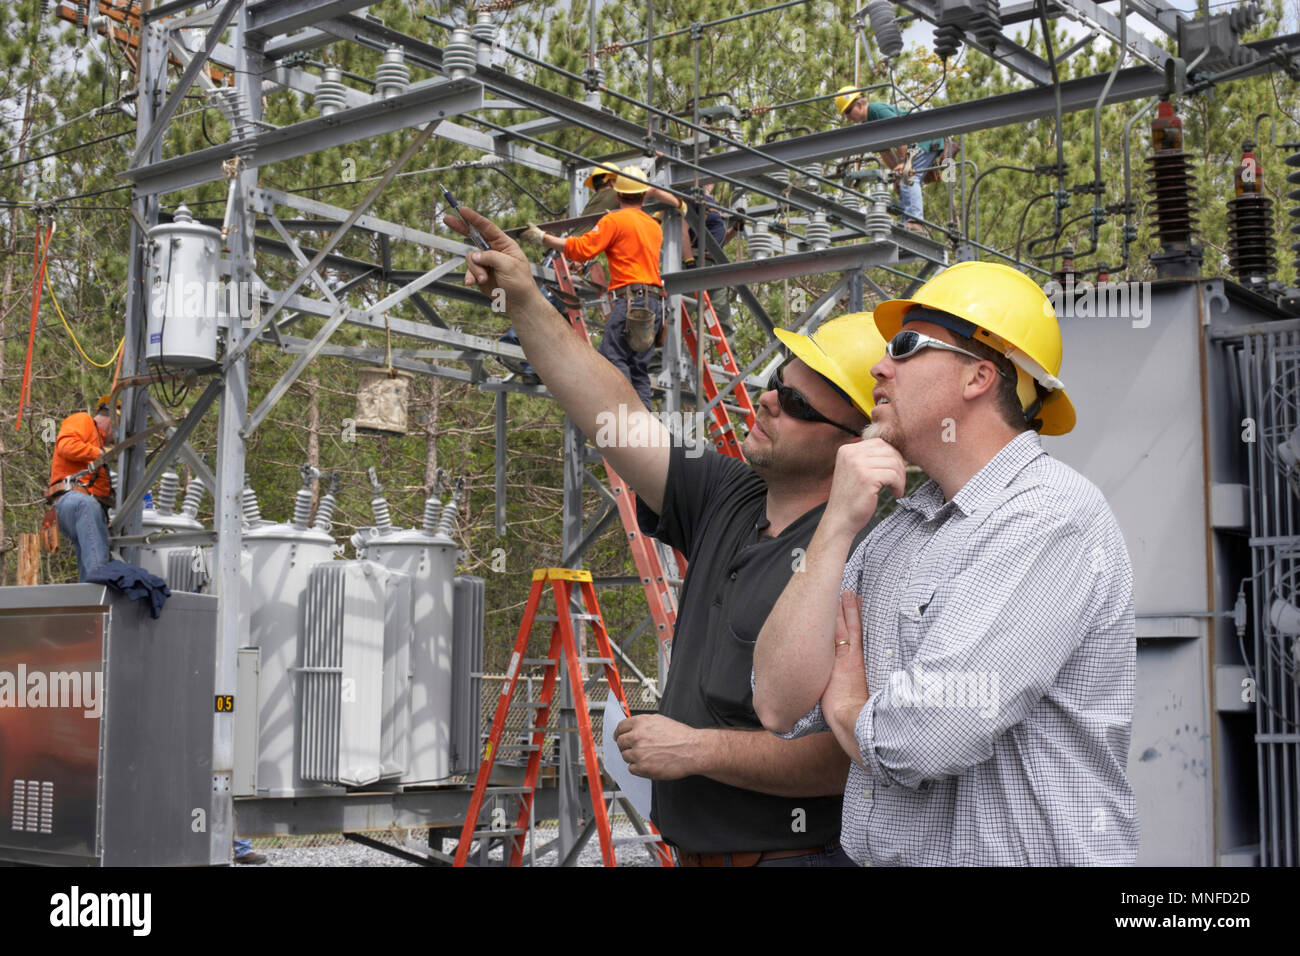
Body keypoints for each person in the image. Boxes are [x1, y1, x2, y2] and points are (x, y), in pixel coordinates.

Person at [443, 201, 888, 866]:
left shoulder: (870, 554)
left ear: (853, 443)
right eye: (774, 383)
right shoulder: (728, 497)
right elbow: (614, 415)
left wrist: (696, 749)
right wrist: (527, 299)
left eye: (795, 404)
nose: (765, 398)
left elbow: (848, 757)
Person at [753, 260, 1139, 865]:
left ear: (979, 376)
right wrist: (834, 526)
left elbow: (929, 735)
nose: (879, 367)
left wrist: (851, 705)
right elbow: (777, 701)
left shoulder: (1051, 518)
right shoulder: (890, 538)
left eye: (905, 347)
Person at [522, 166, 665, 409]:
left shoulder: (614, 220)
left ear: (617, 195)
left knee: (612, 356)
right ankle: (644, 421)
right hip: (654, 303)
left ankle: (627, 414)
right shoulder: (654, 226)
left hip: (631, 301)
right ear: (643, 196)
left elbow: (581, 249)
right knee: (638, 367)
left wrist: (543, 238)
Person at [835, 85, 946, 234]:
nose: (847, 117)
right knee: (903, 179)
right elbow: (884, 152)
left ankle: (914, 222)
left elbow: (901, 133)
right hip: (913, 145)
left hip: (925, 140)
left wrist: (904, 163)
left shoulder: (876, 110)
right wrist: (897, 176)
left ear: (860, 105)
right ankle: (907, 223)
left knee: (908, 177)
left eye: (848, 111)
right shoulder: (867, 126)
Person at [46, 401, 115, 581]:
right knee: (87, 506)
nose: (115, 440)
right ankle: (99, 581)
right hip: (70, 499)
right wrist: (100, 453)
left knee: (92, 549)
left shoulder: (98, 440)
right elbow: (67, 446)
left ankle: (91, 598)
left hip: (85, 506)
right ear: (114, 420)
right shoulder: (83, 420)